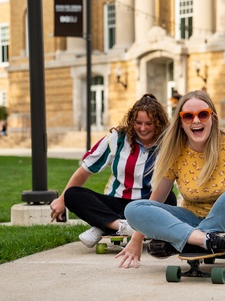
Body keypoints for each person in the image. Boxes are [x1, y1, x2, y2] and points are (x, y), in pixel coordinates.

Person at [117, 90, 225, 276]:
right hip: (194, 220)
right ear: (181, 123)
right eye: (188, 116)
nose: (196, 120)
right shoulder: (176, 153)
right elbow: (157, 200)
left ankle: (185, 240)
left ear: (212, 118)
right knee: (134, 209)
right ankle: (203, 240)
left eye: (203, 114)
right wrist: (136, 240)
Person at [50, 94, 177, 248]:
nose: (142, 128)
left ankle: (103, 226)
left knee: (169, 198)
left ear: (158, 123)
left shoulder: (168, 143)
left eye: (148, 123)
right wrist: (62, 200)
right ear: (131, 121)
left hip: (149, 205)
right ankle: (122, 227)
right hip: (116, 202)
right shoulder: (117, 139)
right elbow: (85, 170)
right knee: (72, 194)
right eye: (138, 123)